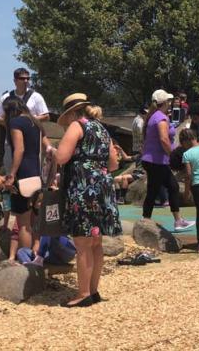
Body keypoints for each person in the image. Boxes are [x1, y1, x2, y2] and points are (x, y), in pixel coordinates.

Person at [54, 93, 122, 307]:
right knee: (96, 241)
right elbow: (113, 164)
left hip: (83, 187)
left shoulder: (77, 126)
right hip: (103, 186)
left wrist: (53, 151)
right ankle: (93, 290)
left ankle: (83, 293)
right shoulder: (102, 129)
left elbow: (61, 157)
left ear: (72, 112)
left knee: (82, 242)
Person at [141, 90, 194, 230]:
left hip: (152, 159)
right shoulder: (161, 118)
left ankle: (146, 220)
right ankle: (177, 221)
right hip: (156, 160)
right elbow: (164, 139)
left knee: (154, 190)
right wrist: (173, 155)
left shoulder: (154, 116)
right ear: (164, 103)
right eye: (169, 101)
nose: (170, 104)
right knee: (172, 187)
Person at [2, 96, 46, 254]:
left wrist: (12, 174)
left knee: (23, 223)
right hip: (36, 175)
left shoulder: (15, 123)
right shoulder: (36, 123)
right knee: (35, 219)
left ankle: (26, 260)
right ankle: (36, 254)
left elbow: (19, 150)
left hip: (23, 176)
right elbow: (45, 147)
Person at [0, 68, 50, 172]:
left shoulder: (36, 96)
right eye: (22, 78)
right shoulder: (6, 97)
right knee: (10, 169)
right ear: (15, 80)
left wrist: (25, 121)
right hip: (11, 139)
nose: (26, 81)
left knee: (30, 172)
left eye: (27, 78)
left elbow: (46, 116)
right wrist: (11, 124)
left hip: (31, 140)